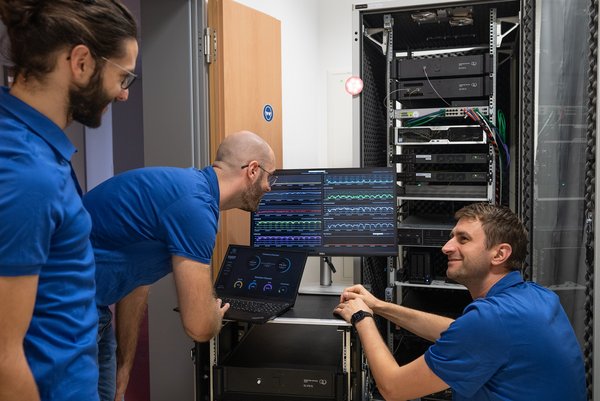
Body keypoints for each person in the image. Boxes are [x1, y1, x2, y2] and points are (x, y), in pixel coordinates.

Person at [0, 1, 138, 401]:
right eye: (122, 76)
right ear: (80, 62)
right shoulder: (28, 173)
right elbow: (5, 360)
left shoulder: (36, 147)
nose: (123, 94)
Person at [82, 130, 276, 401]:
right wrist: (215, 316)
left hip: (92, 310)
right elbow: (199, 326)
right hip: (64, 308)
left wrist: (124, 366)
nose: (269, 186)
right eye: (270, 176)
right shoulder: (195, 208)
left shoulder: (189, 191)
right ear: (253, 170)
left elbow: (136, 283)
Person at [334, 203, 586, 401]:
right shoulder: (538, 296)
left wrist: (361, 318)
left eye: (463, 239)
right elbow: (457, 331)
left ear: (499, 254)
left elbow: (392, 388)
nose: (445, 247)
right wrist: (379, 306)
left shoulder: (490, 320)